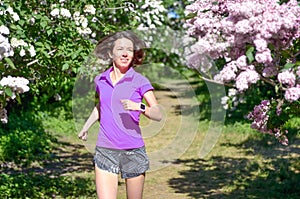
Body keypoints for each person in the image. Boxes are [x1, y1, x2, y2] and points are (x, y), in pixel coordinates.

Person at [78, 30, 162, 199]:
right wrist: (86, 127)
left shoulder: (139, 81)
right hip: (105, 150)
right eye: (120, 49)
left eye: (129, 50)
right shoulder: (100, 80)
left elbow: (158, 113)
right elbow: (101, 107)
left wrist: (139, 107)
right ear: (111, 53)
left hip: (133, 150)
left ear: (133, 55)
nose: (125, 54)